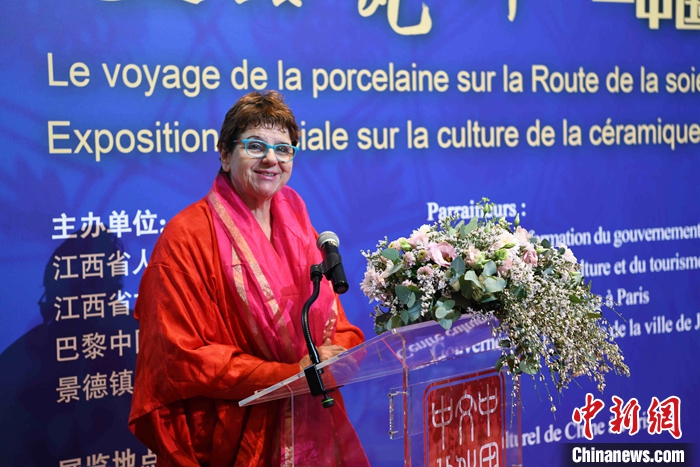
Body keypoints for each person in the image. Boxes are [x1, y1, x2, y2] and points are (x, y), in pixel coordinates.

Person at [128, 91, 370, 467]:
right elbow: (183, 356)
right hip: (232, 431)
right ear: (225, 154)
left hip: (310, 421)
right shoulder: (187, 237)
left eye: (284, 149)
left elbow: (333, 321)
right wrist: (291, 374)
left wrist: (341, 354)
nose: (271, 159)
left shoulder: (299, 225)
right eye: (255, 146)